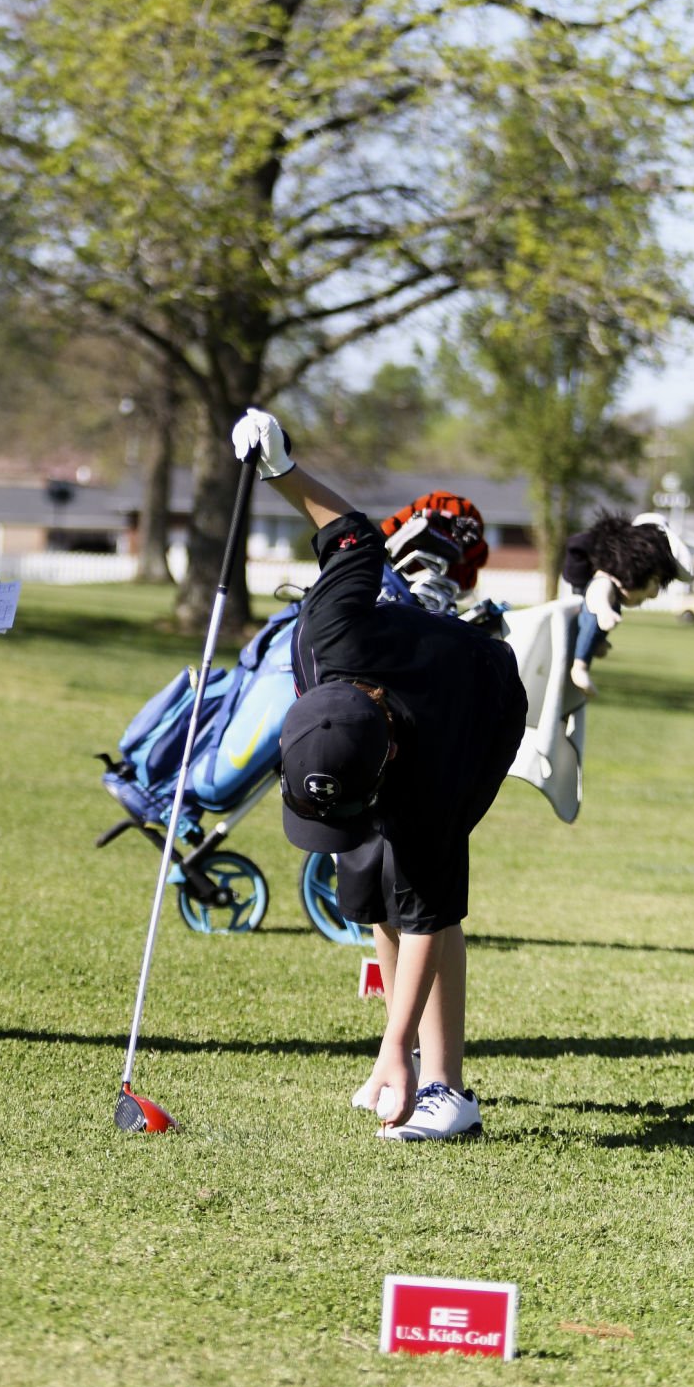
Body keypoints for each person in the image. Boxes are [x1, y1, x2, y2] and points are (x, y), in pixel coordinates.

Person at [231, 408, 527, 1141]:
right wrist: (277, 465)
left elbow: (429, 913)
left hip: (479, 701)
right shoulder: (330, 628)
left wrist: (392, 1047)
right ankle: (402, 1058)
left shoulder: (435, 758)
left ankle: (444, 1087)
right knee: (365, 882)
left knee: (418, 891)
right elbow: (353, 532)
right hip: (364, 714)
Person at [562, 510, 692, 696]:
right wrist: (604, 611)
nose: (654, 594)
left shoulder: (613, 591)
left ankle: (595, 643)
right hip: (581, 642)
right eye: (655, 581)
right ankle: (580, 667)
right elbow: (597, 600)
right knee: (598, 612)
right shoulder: (603, 582)